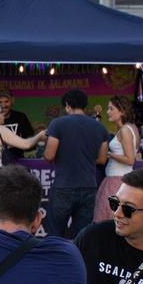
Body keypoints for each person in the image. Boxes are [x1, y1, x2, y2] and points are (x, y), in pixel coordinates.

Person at [43, 88, 110, 242]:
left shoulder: (57, 124)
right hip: (88, 186)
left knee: (55, 235)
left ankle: (55, 264)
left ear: (67, 105)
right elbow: (101, 159)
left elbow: (49, 155)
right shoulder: (99, 127)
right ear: (85, 106)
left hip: (63, 186)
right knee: (82, 237)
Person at [95, 95, 141, 215]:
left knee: (111, 219)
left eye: (111, 109)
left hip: (116, 180)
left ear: (122, 111)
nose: (107, 112)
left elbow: (130, 159)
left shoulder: (125, 130)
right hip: (121, 178)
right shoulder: (132, 127)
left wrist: (109, 154)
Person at [0, 96, 42, 165]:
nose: (3, 114)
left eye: (6, 101)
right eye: (1, 112)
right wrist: (40, 135)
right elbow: (27, 144)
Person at [0, 89, 38, 159]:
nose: (3, 105)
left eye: (6, 101)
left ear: (12, 101)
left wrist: (18, 143)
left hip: (17, 162)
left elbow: (31, 145)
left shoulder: (20, 117)